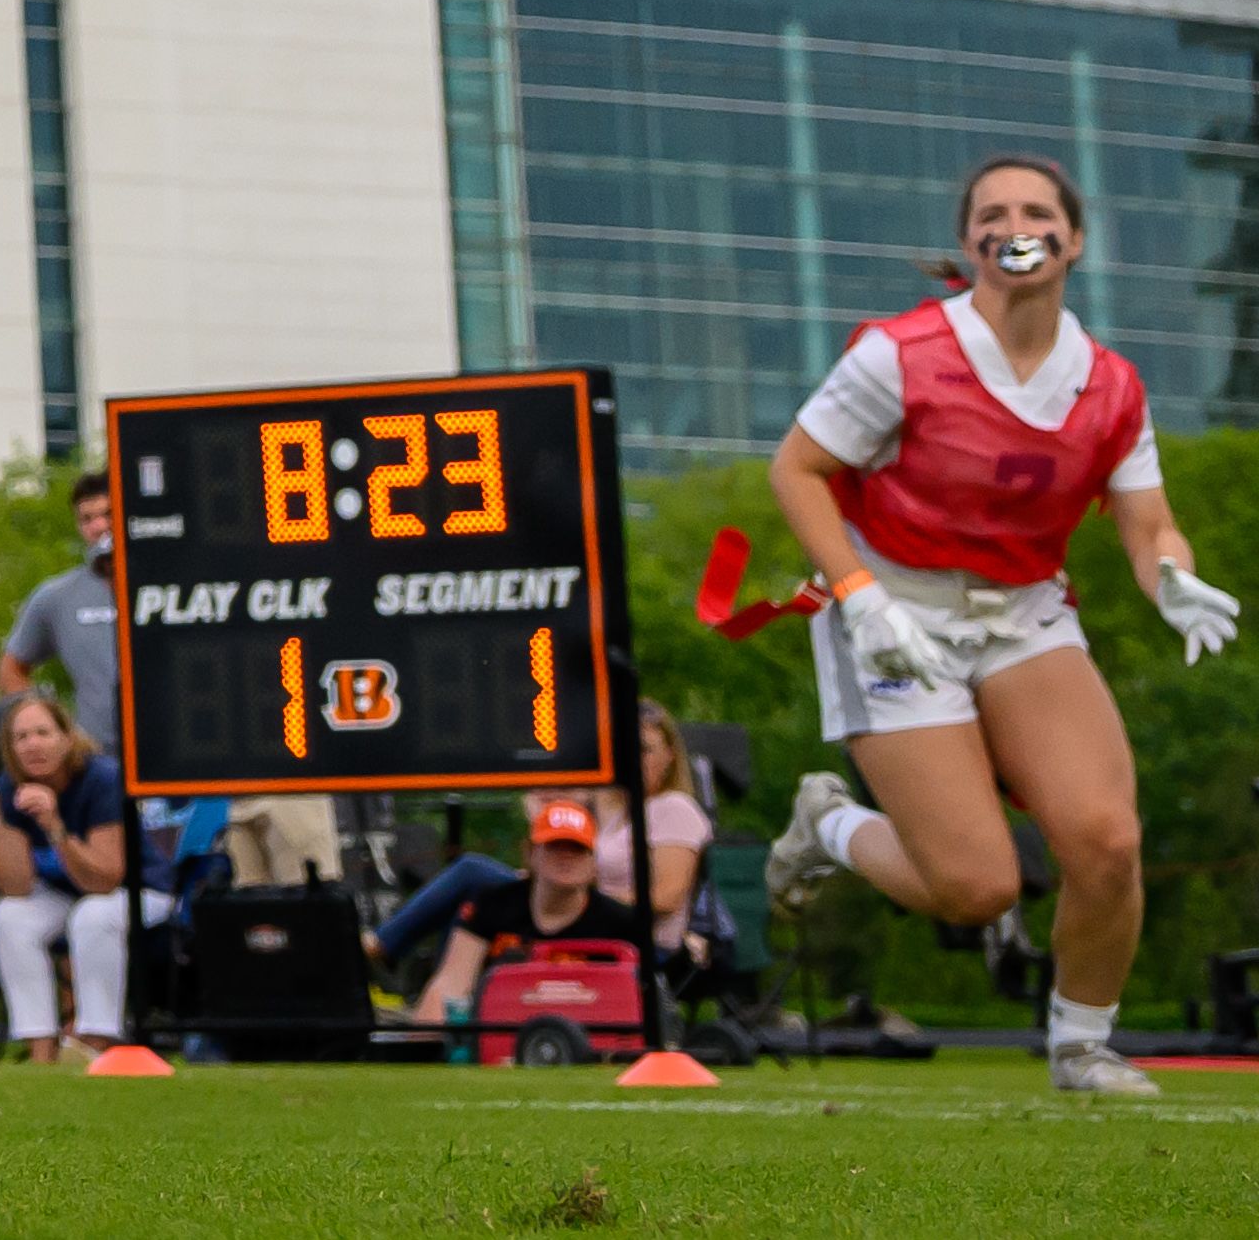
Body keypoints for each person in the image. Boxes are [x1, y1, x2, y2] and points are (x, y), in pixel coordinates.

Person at [756, 148, 1230, 1103]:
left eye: (1036, 208)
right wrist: (858, 593)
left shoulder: (1111, 385)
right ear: (972, 239)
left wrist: (1170, 571)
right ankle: (831, 823)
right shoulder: (900, 353)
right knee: (978, 889)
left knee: (1106, 840)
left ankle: (1082, 1046)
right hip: (890, 607)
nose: (1016, 222)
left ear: (1073, 237)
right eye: (995, 210)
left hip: (1021, 612)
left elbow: (1146, 519)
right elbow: (795, 470)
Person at [386, 694, 711, 997]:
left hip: (631, 934)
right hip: (573, 911)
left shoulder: (675, 808)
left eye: (644, 748)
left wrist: (576, 892)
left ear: (670, 755)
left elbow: (666, 898)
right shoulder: (614, 808)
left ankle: (383, 947)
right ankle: (444, 1004)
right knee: (479, 906)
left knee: (474, 871)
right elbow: (546, 805)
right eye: (623, 747)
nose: (632, 758)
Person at [0, 687, 133, 1059]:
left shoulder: (101, 777)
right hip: (65, 895)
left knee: (94, 915)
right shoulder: (9, 788)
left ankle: (93, 1043)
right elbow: (15, 886)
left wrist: (54, 825)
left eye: (43, 733)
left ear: (66, 736)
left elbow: (105, 879)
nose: (32, 745)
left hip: (133, 893)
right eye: (21, 737)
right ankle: (42, 1051)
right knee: (10, 916)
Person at [418, 792, 651, 1040]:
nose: (566, 856)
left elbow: (643, 1000)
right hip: (500, 1038)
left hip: (590, 1042)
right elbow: (451, 983)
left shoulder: (621, 922)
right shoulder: (492, 904)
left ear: (594, 862)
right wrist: (424, 1047)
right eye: (554, 845)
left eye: (577, 848)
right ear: (530, 853)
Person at [0, 463, 123, 770]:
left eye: (108, 515)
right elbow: (10, 670)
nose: (99, 527)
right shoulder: (58, 596)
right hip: (97, 759)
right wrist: (52, 723)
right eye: (87, 519)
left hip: (175, 754)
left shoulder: (167, 584)